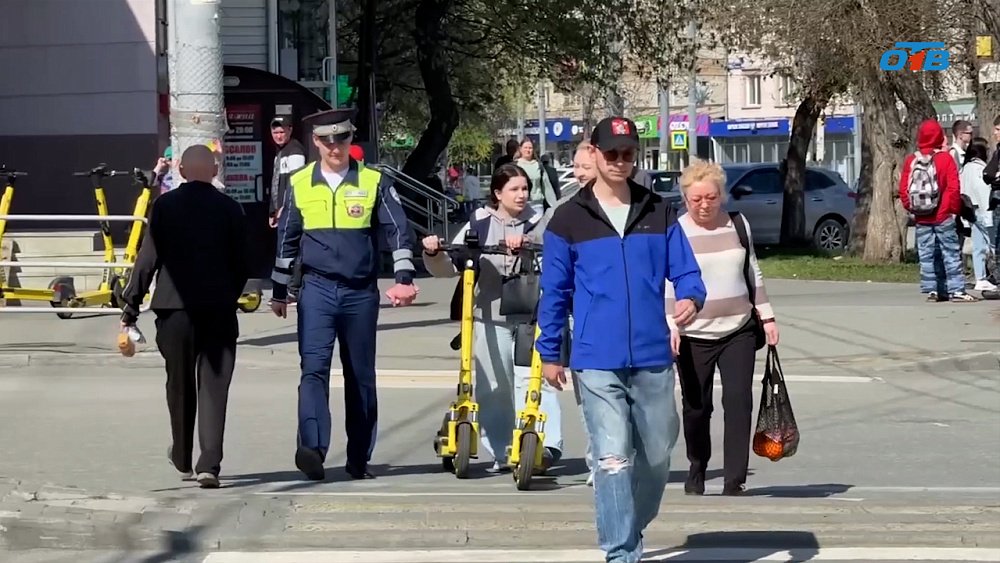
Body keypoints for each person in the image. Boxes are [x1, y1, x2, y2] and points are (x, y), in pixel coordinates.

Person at [535, 116, 707, 563]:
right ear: (593, 152)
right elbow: (555, 291)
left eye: (628, 153)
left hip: (652, 357)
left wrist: (690, 296)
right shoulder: (568, 219)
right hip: (596, 359)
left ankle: (631, 523)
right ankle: (621, 551)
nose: (620, 161)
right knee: (612, 457)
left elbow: (686, 270)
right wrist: (549, 351)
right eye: (611, 153)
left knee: (654, 459)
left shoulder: (658, 209)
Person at [269, 108, 419, 482]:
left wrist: (403, 276)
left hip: (359, 293)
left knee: (360, 376)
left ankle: (358, 459)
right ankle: (313, 449)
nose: (335, 147)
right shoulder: (300, 181)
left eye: (342, 139)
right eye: (327, 140)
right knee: (313, 371)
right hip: (316, 290)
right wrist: (278, 291)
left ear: (352, 139)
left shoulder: (374, 181)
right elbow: (286, 238)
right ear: (316, 143)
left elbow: (397, 231)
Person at [120, 144, 249, 489]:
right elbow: (242, 265)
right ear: (214, 170)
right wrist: (228, 293)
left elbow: (147, 261)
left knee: (179, 385)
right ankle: (209, 464)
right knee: (214, 387)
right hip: (219, 311)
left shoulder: (165, 207)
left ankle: (181, 455)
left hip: (174, 310)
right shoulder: (230, 209)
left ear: (180, 169)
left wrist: (129, 306)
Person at [421, 164, 564, 472]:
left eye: (525, 188)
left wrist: (527, 246)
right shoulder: (479, 222)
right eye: (514, 189)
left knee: (535, 382)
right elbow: (451, 263)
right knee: (495, 386)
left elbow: (557, 256)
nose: (522, 195)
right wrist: (433, 253)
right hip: (489, 314)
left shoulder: (539, 223)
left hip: (530, 314)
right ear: (498, 193)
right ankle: (503, 452)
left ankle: (546, 446)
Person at [666, 159, 780, 497]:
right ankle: (698, 465)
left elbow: (752, 271)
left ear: (722, 196)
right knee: (697, 406)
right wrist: (670, 323)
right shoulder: (676, 230)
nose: (704, 205)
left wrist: (767, 315)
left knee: (738, 400)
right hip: (692, 334)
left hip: (738, 329)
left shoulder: (738, 224)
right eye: (696, 199)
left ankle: (735, 479)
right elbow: (666, 282)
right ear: (685, 199)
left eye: (711, 198)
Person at [899, 119, 975, 302]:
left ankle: (933, 290)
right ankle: (956, 290)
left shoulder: (912, 160)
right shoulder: (944, 159)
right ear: (938, 136)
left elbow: (903, 190)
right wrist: (952, 209)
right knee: (950, 252)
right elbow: (953, 188)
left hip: (922, 217)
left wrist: (913, 208)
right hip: (943, 216)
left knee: (927, 255)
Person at [961, 138, 997, 292]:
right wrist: (989, 212)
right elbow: (982, 191)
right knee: (993, 244)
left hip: (971, 211)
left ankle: (980, 277)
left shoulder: (965, 168)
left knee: (978, 246)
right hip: (983, 210)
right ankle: (988, 276)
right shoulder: (978, 169)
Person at [268, 115, 307, 228]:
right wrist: (273, 210)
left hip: (290, 213)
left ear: (290, 130)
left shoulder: (295, 151)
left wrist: (285, 208)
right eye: (275, 133)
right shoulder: (280, 152)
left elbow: (296, 184)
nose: (278, 136)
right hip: (281, 212)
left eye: (282, 132)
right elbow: (276, 184)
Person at [515, 138, 559, 212]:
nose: (528, 150)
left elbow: (546, 186)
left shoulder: (538, 165)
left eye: (530, 148)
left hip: (537, 205)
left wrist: (554, 206)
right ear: (520, 149)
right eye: (525, 148)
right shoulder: (515, 165)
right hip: (520, 205)